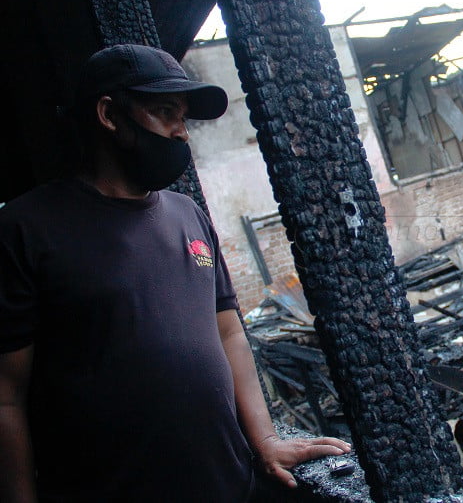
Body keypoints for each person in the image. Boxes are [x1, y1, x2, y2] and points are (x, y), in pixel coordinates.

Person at [0, 44, 350, 502]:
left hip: (230, 485)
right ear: (108, 115)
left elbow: (229, 333)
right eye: (164, 112)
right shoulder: (26, 228)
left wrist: (264, 440)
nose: (180, 132)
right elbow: (6, 396)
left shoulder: (188, 214)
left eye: (183, 117)